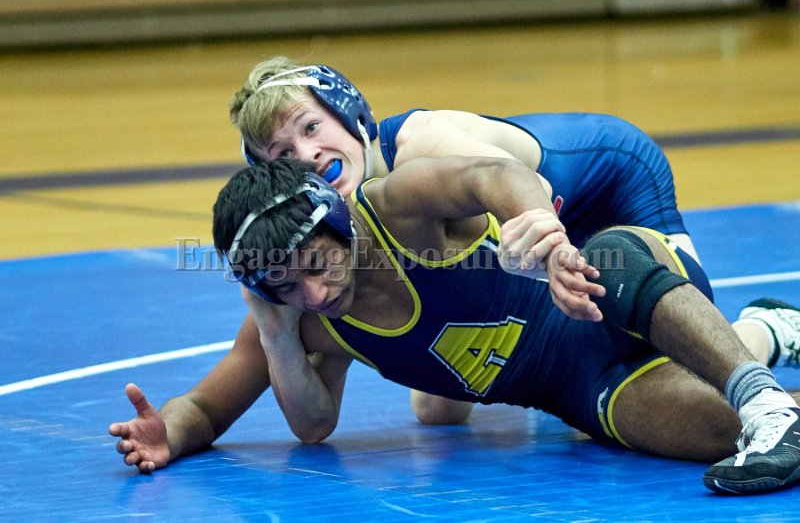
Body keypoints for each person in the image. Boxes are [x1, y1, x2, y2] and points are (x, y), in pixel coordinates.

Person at [111, 156, 800, 495]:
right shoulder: (299, 319)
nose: (315, 292)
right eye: (287, 285)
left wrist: (544, 233)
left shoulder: (395, 209)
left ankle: (762, 392)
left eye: (318, 265)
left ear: (338, 222)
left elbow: (491, 173)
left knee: (607, 261)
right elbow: (244, 414)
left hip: (608, 287)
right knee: (721, 434)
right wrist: (170, 428)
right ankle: (769, 363)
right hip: (586, 388)